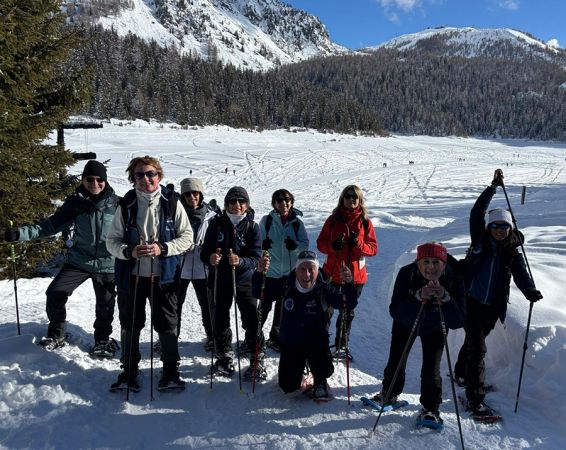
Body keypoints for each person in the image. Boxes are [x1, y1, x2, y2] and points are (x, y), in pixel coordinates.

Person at [4, 160, 120, 355]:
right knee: (55, 293)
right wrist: (20, 234)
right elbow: (50, 226)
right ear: (83, 180)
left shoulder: (117, 204)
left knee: (105, 304)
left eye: (99, 179)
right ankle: (56, 334)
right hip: (79, 261)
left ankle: (102, 340)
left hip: (108, 264)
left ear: (105, 181)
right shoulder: (75, 203)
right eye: (89, 179)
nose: (95, 183)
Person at [454, 169, 543, 416]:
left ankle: (462, 373)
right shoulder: (479, 241)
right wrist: (492, 188)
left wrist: (530, 291)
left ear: (510, 229)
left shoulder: (511, 252)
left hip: (493, 306)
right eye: (495, 226)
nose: (500, 230)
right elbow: (476, 212)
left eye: (504, 226)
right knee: (478, 349)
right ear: (489, 227)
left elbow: (521, 273)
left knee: (474, 342)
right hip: (471, 300)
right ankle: (475, 397)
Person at [106, 155, 193, 391]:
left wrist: (163, 248)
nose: (146, 179)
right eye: (140, 175)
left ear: (159, 176)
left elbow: (187, 237)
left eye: (150, 173)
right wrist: (129, 251)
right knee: (130, 323)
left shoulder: (171, 201)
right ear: (133, 178)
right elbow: (111, 241)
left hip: (164, 276)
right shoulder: (127, 203)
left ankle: (171, 370)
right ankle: (129, 370)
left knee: (167, 323)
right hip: (132, 276)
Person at [370, 242, 466, 427]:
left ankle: (431, 408)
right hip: (407, 322)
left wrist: (446, 298)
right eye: (426, 262)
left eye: (436, 262)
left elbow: (458, 320)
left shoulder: (454, 278)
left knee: (431, 368)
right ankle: (389, 394)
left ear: (444, 263)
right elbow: (395, 310)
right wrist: (418, 297)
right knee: (397, 358)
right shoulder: (407, 273)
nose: (431, 267)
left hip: (435, 325)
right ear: (418, 262)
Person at [253, 250, 357, 399]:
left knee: (324, 368)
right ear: (296, 270)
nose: (307, 274)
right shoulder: (286, 284)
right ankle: (299, 368)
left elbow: (348, 303)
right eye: (302, 269)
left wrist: (349, 283)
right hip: (292, 341)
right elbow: (260, 293)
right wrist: (259, 272)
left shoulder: (323, 288)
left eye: (311, 269)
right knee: (288, 386)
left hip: (315, 341)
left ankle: (319, 378)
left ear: (317, 270)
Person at [200, 186, 262, 379]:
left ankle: (256, 357)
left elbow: (256, 257)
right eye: (232, 201)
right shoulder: (216, 224)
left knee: (251, 319)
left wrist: (241, 261)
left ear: (247, 205)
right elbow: (204, 252)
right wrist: (211, 258)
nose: (237, 205)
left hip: (244, 280)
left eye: (241, 201)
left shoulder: (252, 226)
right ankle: (224, 355)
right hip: (220, 278)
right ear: (226, 204)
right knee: (220, 317)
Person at [316, 185, 377, 358]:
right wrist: (332, 246)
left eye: (354, 197)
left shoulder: (365, 222)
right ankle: (320, 344)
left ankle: (341, 345)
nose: (351, 200)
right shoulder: (333, 220)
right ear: (342, 199)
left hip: (354, 278)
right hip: (331, 274)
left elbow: (373, 249)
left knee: (347, 312)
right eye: (348, 196)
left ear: (359, 200)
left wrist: (358, 244)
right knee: (325, 310)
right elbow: (320, 244)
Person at [258, 189, 309, 352]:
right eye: (279, 200)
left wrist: (295, 246)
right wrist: (263, 245)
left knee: (282, 310)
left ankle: (275, 338)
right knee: (263, 309)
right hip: (269, 273)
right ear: (274, 203)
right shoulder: (267, 221)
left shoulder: (297, 223)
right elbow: (257, 243)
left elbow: (305, 244)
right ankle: (254, 338)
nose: (283, 203)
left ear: (291, 202)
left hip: (288, 274)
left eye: (287, 200)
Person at [176, 177, 220, 350]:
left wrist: (209, 250)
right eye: (187, 194)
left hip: (203, 267)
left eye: (195, 193)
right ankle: (170, 337)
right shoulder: (176, 213)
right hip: (180, 267)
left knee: (207, 304)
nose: (191, 197)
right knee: (174, 304)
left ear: (200, 194)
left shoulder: (212, 216)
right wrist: (179, 248)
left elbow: (217, 239)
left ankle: (212, 336)